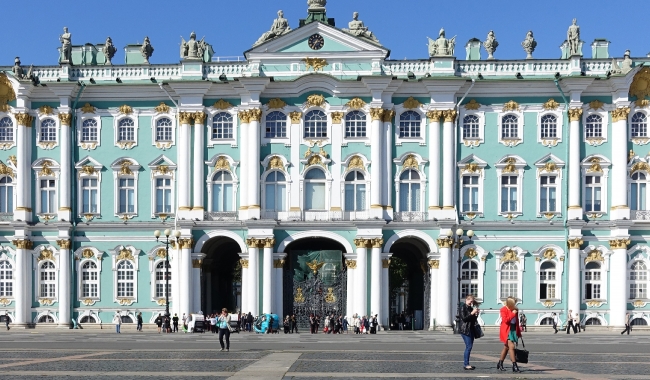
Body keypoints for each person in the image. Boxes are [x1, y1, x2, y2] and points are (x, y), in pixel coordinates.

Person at [497, 297, 522, 373]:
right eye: (514, 303)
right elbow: (505, 320)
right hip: (506, 330)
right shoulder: (503, 309)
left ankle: (500, 363)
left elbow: (516, 322)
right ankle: (514, 365)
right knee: (512, 347)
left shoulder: (515, 310)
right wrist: (512, 313)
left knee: (506, 347)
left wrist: (518, 332)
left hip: (513, 330)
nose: (515, 305)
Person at [459, 295, 479, 371]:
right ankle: (466, 364)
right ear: (467, 300)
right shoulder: (462, 307)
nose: (472, 303)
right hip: (465, 329)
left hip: (471, 329)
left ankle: (467, 363)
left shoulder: (470, 308)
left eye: (472, 301)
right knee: (469, 346)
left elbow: (472, 320)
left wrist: (476, 314)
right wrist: (472, 313)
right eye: (471, 301)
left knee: (469, 347)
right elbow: (464, 319)